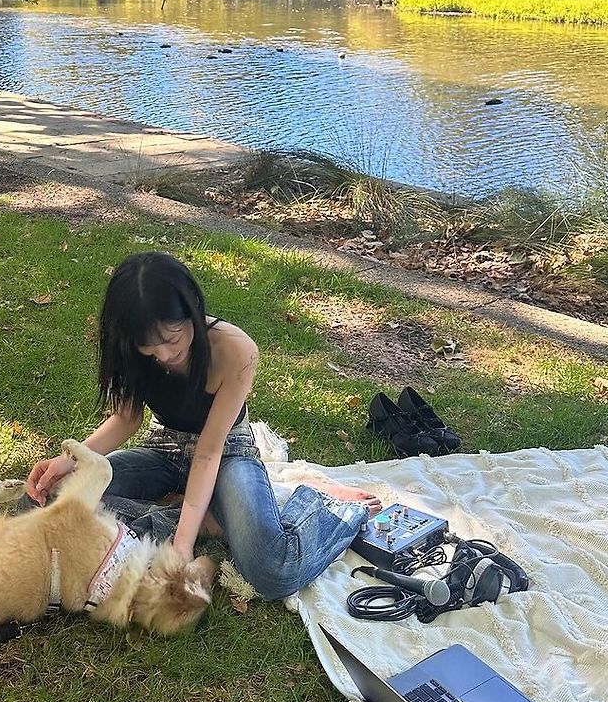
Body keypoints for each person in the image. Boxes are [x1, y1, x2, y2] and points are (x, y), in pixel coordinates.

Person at [23, 252, 382, 601]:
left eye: (173, 339)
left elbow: (209, 453)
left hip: (226, 454)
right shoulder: (130, 347)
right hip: (164, 447)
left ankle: (328, 509)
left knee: (273, 571)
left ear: (192, 307)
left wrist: (181, 545)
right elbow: (125, 420)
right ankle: (205, 519)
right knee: (50, 497)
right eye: (150, 348)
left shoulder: (236, 350)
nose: (163, 355)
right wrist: (70, 460)